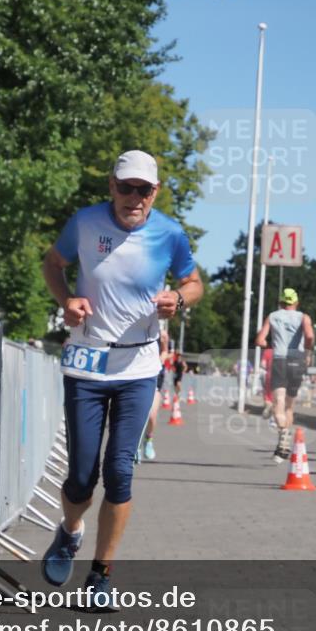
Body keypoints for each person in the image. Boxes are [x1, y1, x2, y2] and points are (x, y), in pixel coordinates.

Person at [41, 149, 203, 604]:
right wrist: (66, 300)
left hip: (139, 366)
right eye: (125, 187)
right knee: (80, 476)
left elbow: (193, 282)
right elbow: (53, 263)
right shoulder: (86, 222)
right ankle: (71, 530)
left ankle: (101, 576)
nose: (134, 197)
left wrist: (180, 298)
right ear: (111, 186)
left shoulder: (170, 233)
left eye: (143, 189)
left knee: (120, 473)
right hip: (87, 362)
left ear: (155, 193)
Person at [255, 288, 315, 462]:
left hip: (280, 360)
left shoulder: (273, 316)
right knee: (289, 406)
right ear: (296, 303)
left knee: (278, 403)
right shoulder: (304, 317)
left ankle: (283, 434)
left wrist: (270, 343)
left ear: (281, 302)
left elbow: (259, 340)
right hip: (297, 361)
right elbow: (310, 336)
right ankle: (283, 445)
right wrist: (307, 353)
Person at [137, 326, 171, 462]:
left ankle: (148, 439)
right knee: (137, 415)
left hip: (154, 376)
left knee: (151, 415)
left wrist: (157, 361)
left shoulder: (162, 334)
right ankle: (135, 448)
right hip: (135, 375)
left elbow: (165, 352)